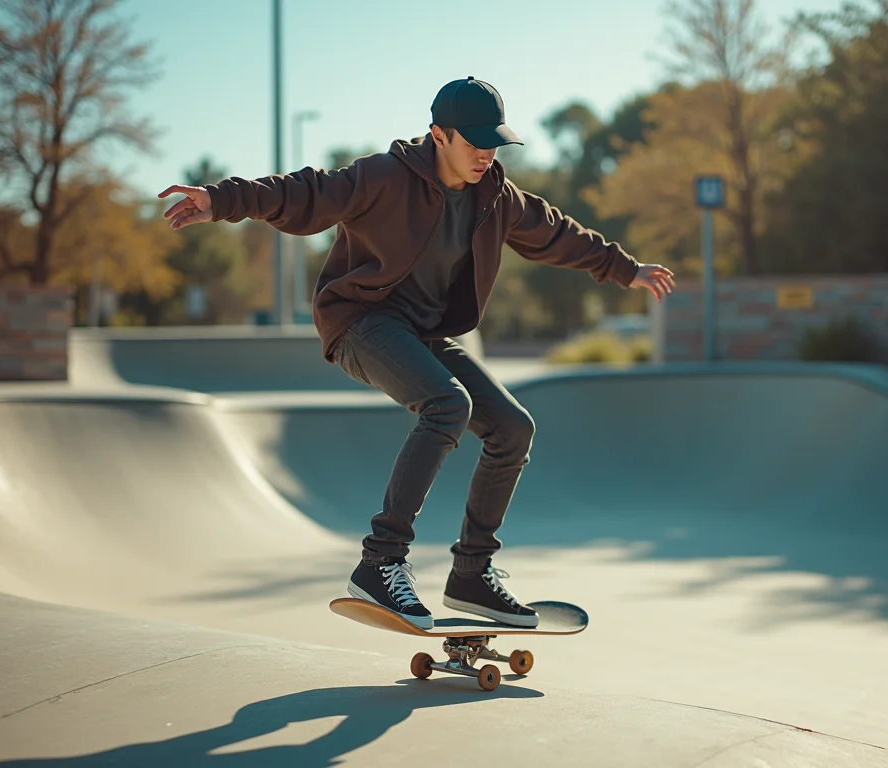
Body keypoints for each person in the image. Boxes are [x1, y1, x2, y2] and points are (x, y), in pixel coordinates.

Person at [158, 76, 675, 630]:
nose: (485, 153)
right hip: (360, 321)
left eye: (493, 142)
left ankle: (472, 574)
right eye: (473, 141)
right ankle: (379, 564)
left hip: (424, 333)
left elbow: (556, 233)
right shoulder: (384, 177)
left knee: (512, 428)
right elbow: (306, 191)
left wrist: (625, 269)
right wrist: (221, 200)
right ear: (438, 136)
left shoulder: (496, 197)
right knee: (448, 405)